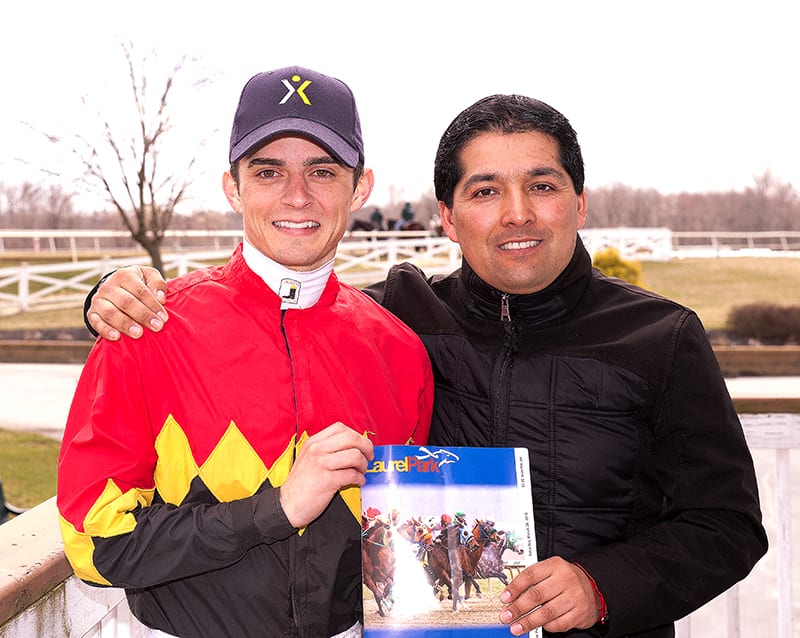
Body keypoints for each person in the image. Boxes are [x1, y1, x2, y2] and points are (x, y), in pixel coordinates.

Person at [83, 94, 768, 637]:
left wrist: (603, 586)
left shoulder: (662, 336)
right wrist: (115, 294)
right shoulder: (401, 324)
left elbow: (727, 526)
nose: (517, 214)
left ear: (580, 201)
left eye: (543, 185)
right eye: (484, 191)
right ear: (446, 215)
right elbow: (286, 309)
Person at [58, 65, 433, 638]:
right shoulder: (148, 328)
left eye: (322, 171)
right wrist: (276, 510)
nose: (297, 195)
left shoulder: (400, 351)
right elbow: (95, 543)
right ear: (233, 187)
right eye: (268, 172)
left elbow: (403, 536)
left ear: (360, 187)